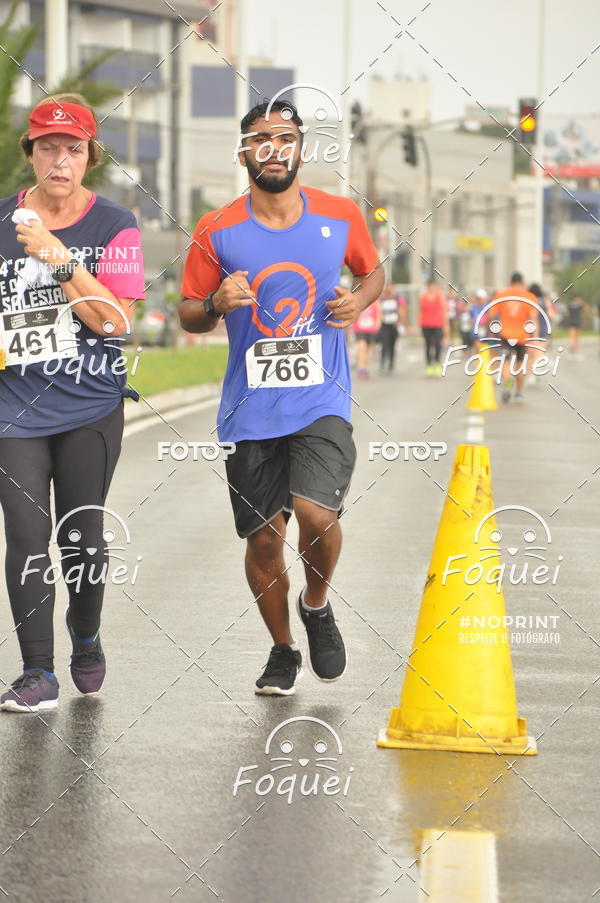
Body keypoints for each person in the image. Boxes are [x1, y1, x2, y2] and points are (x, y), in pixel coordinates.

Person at [179, 100, 383, 696]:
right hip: (252, 407)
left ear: (301, 148)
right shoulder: (216, 229)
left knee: (317, 515)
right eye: (261, 139)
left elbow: (374, 273)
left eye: (286, 137)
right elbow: (189, 312)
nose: (274, 148)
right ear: (243, 151)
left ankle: (315, 605)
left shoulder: (340, 215)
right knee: (264, 538)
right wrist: (216, 304)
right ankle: (282, 649)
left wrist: (359, 302)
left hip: (322, 399)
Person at [0, 94, 145, 712]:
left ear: (90, 158)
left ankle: (85, 636)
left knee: (82, 537)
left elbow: (114, 322)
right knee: (27, 533)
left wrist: (61, 261)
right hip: (15, 408)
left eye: (74, 149)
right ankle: (38, 671)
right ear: (29, 152)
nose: (61, 159)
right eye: (49, 147)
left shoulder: (117, 226)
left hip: (89, 405)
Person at [488, 272, 538, 404]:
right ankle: (519, 393)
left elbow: (491, 315)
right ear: (522, 282)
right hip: (522, 337)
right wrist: (535, 337)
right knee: (520, 365)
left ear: (510, 281)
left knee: (505, 362)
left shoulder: (501, 295)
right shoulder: (530, 297)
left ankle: (507, 378)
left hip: (505, 335)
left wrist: (491, 331)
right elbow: (533, 318)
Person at [418, 279, 447, 376]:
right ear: (427, 286)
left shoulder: (440, 296)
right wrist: (417, 323)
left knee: (438, 344)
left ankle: (437, 363)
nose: (431, 288)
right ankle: (429, 365)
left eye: (433, 286)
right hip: (426, 324)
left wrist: (446, 325)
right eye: (430, 286)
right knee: (428, 344)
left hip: (438, 324)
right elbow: (420, 310)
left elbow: (444, 311)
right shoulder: (423, 296)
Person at [353, 294, 381, 377]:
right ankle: (361, 368)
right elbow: (354, 313)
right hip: (359, 328)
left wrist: (377, 325)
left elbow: (379, 313)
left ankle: (365, 368)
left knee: (369, 349)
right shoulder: (358, 300)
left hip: (371, 329)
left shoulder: (375, 301)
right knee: (362, 347)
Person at [378, 282, 401, 374]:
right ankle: (383, 363)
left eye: (391, 288)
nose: (389, 290)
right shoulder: (381, 299)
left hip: (394, 325)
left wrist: (400, 323)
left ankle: (391, 364)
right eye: (387, 288)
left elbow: (402, 311)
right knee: (384, 344)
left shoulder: (397, 299)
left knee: (392, 345)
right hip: (384, 324)